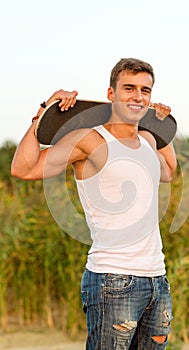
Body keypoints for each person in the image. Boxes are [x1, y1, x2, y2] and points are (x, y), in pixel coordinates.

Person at [11, 58, 177, 349]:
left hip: (157, 280)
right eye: (129, 88)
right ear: (111, 94)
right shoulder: (89, 140)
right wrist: (43, 113)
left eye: (145, 90)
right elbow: (24, 169)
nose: (138, 96)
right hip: (113, 281)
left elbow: (170, 171)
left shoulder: (148, 141)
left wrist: (160, 126)